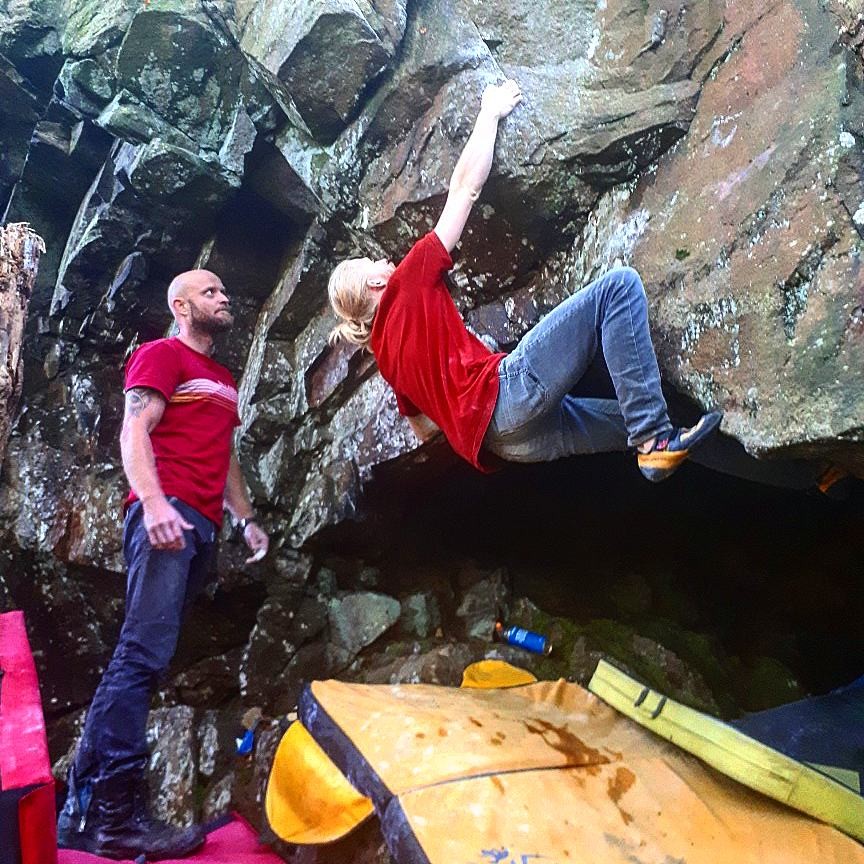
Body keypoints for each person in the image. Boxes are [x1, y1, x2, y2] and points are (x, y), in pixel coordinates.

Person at [328, 79, 721, 479]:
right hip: (507, 396)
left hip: (509, 444)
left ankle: (664, 442)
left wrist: (456, 397)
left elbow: (424, 430)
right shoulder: (405, 283)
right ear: (374, 285)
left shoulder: (389, 363)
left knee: (643, 420)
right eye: (371, 262)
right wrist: (489, 113)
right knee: (618, 289)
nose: (382, 260)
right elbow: (464, 190)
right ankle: (654, 440)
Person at [57, 270, 269, 860]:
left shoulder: (222, 380)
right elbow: (135, 429)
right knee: (141, 655)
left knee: (140, 659)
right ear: (180, 306)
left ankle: (80, 812)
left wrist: (245, 518)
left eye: (224, 290)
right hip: (167, 514)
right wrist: (152, 504)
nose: (223, 297)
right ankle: (116, 818)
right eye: (209, 292)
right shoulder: (161, 355)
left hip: (201, 524)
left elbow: (224, 454)